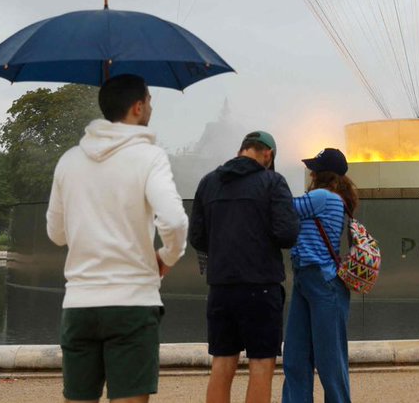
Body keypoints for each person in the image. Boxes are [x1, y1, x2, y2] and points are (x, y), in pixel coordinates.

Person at [46, 74, 188, 403]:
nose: (152, 106)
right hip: (133, 303)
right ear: (138, 107)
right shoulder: (150, 157)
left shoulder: (68, 161)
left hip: (80, 303)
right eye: (150, 100)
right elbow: (174, 220)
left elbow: (56, 234)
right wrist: (166, 258)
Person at [189, 130, 300, 403]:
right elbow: (287, 235)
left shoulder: (208, 183)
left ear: (242, 150)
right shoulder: (272, 182)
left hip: (221, 287)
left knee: (222, 362)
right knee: (261, 364)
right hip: (261, 287)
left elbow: (196, 237)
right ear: (267, 154)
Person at [282, 148, 359, 403]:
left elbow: (286, 208)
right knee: (315, 359)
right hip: (312, 280)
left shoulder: (323, 197)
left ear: (323, 175)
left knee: (314, 360)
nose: (310, 172)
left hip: (320, 281)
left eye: (314, 168)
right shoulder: (333, 198)